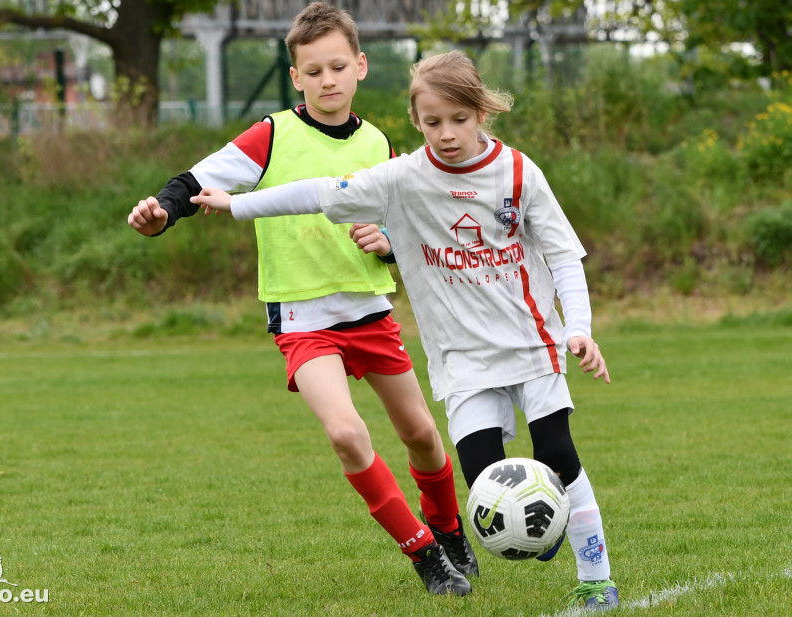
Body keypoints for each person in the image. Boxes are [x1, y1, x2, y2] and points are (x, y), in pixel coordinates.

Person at [190, 50, 620, 611]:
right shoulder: (404, 178)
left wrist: (578, 328)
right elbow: (318, 192)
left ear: (482, 112)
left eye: (459, 119)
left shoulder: (518, 172)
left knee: (558, 452)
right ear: (416, 121)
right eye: (433, 122)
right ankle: (543, 519)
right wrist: (238, 204)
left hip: (531, 341)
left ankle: (596, 580)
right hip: (462, 358)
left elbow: (563, 256)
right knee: (483, 478)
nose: (447, 134)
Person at [126, 4, 473, 597]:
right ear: (296, 78)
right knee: (346, 435)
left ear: (360, 66)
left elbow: (407, 227)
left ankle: (449, 530)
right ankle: (425, 554)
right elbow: (194, 183)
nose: (327, 80)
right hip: (301, 320)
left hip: (369, 311)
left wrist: (388, 243)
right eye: (313, 72)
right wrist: (161, 214)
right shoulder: (272, 134)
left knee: (421, 434)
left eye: (338, 67)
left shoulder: (378, 142)